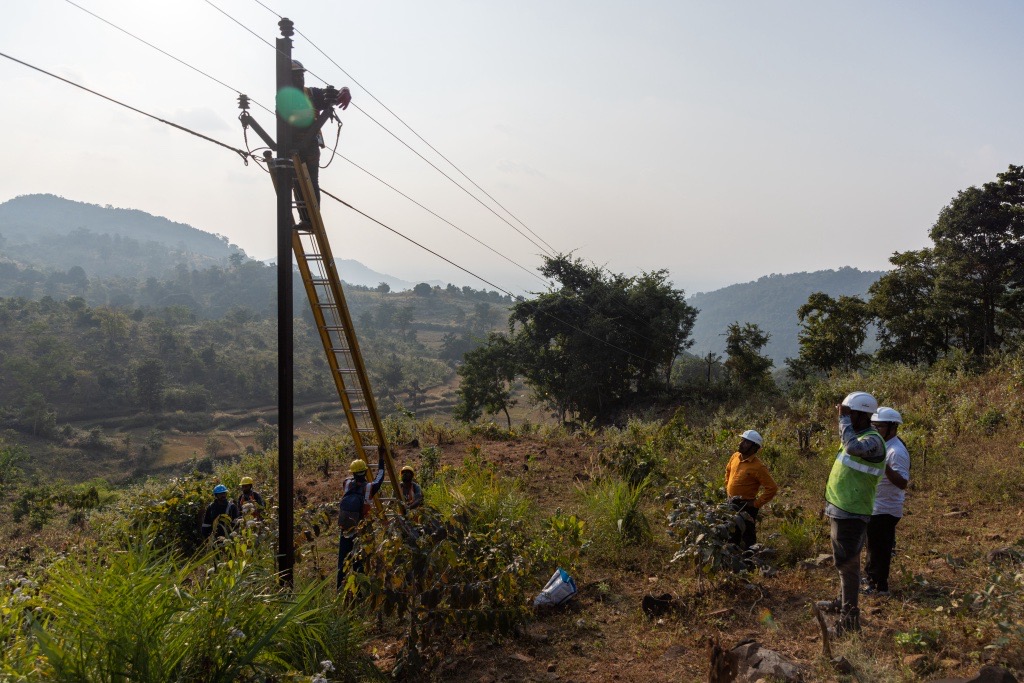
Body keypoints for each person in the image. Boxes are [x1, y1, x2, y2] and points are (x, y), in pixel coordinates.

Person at [816, 391, 887, 636]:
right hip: (840, 508)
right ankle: (841, 602)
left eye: (849, 413)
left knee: (848, 566)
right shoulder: (857, 434)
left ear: (861, 415)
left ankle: (849, 621)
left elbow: (853, 448)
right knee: (843, 563)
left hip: (853, 511)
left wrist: (843, 419)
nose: (844, 417)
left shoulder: (873, 440)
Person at [290, 59, 351, 209]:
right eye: (295, 76)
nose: (299, 79)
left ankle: (312, 216)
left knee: (311, 181)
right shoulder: (284, 97)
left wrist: (345, 90)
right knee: (296, 181)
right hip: (291, 145)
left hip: (309, 144)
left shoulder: (310, 94)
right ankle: (305, 218)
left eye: (301, 75)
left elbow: (332, 96)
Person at [864, 407, 910, 596]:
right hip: (876, 506)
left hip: (886, 508)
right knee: (873, 546)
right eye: (873, 426)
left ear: (892, 427)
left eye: (879, 426)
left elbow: (902, 482)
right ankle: (871, 580)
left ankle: (879, 587)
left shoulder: (896, 452)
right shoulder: (883, 445)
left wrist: (885, 466)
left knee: (879, 550)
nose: (875, 430)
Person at [337, 447, 386, 589]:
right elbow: (380, 476)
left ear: (352, 472)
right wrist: (381, 459)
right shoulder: (369, 488)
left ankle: (340, 589)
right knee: (360, 561)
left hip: (345, 528)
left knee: (342, 562)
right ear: (365, 471)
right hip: (361, 529)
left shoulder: (346, 483)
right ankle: (360, 592)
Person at [724, 429, 778, 552]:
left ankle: (750, 563)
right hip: (731, 503)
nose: (741, 444)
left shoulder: (758, 467)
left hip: (746, 506)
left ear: (754, 448)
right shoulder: (735, 457)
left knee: (748, 536)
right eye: (742, 440)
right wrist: (727, 488)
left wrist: (755, 504)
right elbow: (728, 471)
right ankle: (734, 561)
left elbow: (772, 488)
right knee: (732, 534)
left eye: (747, 442)